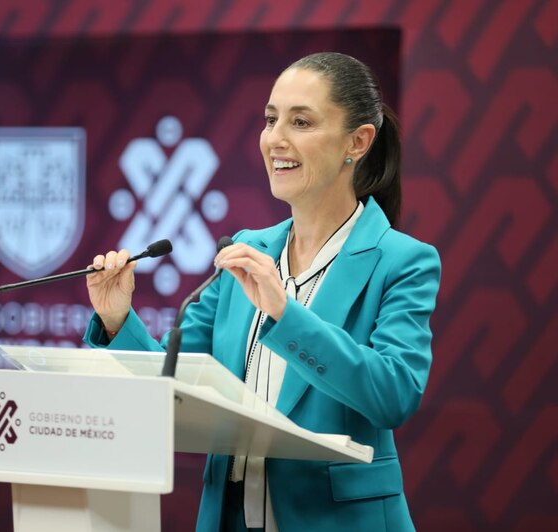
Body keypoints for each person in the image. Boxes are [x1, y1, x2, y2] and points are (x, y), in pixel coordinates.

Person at [83, 52, 441, 531]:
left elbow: (394, 395)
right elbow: (174, 384)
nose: (276, 139)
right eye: (271, 120)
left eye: (301, 122)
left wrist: (286, 314)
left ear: (357, 141)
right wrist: (116, 320)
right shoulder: (247, 250)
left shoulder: (402, 260)